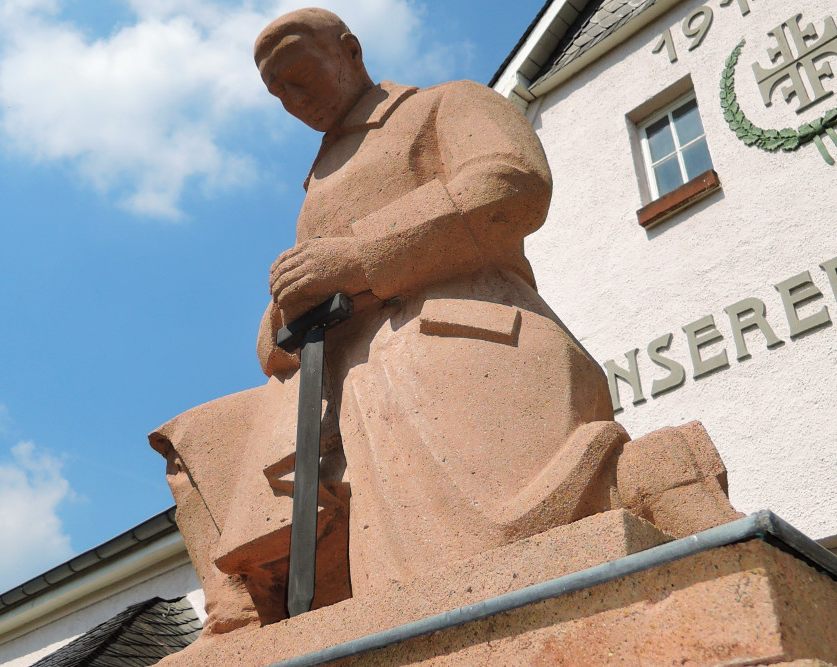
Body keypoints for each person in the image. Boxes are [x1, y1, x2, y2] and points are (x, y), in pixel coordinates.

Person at [248, 7, 624, 597]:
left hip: (452, 338)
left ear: (350, 51)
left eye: (301, 76)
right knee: (204, 439)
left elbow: (512, 181)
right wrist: (281, 313)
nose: (294, 100)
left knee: (392, 373)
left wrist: (361, 254)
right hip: (350, 386)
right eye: (279, 93)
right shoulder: (314, 184)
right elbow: (308, 302)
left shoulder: (445, 105)